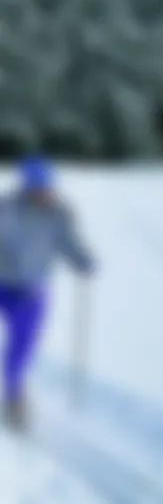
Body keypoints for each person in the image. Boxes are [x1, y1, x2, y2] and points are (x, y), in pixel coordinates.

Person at [0, 156, 95, 432]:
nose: (43, 193)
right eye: (36, 188)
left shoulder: (57, 214)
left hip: (32, 291)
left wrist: (82, 260)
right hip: (3, 285)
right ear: (27, 188)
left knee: (22, 347)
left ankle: (14, 397)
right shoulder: (9, 209)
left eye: (46, 187)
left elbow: (67, 241)